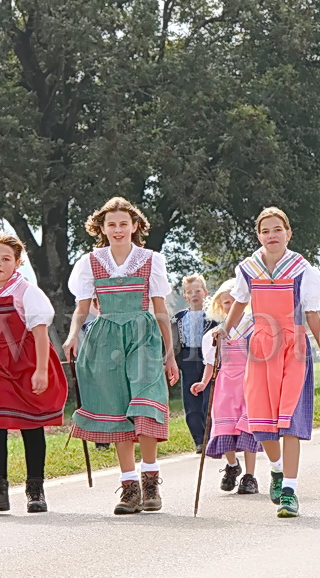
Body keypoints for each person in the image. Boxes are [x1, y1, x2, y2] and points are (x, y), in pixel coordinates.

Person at [64, 197, 179, 515]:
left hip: (143, 336)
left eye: (123, 224)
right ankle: (129, 488)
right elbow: (82, 309)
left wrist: (169, 354)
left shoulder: (151, 260)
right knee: (117, 412)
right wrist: (74, 335)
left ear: (135, 226)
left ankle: (150, 480)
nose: (117, 229)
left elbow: (160, 311)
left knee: (144, 407)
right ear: (101, 228)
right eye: (111, 224)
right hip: (105, 339)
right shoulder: (89, 262)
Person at [220, 207, 320, 517]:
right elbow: (241, 303)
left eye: (277, 230)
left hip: (293, 349)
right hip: (259, 350)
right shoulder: (248, 269)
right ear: (259, 236)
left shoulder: (302, 269)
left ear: (288, 233)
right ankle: (276, 469)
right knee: (262, 423)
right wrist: (223, 332)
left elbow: (311, 314)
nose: (272, 236)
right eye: (266, 231)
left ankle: (290, 492)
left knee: (290, 423)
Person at [0, 233, 68, 513]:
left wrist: (42, 371)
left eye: (6, 259)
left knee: (31, 424)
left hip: (26, 360)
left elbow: (40, 333)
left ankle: (35, 490)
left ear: (17, 264)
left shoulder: (26, 292)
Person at [190, 280, 261, 495]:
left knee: (248, 429)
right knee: (225, 428)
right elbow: (211, 364)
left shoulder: (253, 328)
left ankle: (250, 476)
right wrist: (203, 382)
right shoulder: (214, 335)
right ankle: (232, 465)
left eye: (235, 301)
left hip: (249, 384)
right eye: (227, 302)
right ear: (221, 307)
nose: (231, 305)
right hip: (225, 386)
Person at [172, 274, 215, 453]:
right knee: (191, 402)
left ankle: (211, 437)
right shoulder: (178, 318)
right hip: (188, 358)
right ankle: (199, 440)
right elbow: (173, 342)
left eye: (198, 291)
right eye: (190, 292)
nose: (194, 295)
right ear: (185, 297)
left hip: (208, 358)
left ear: (205, 293)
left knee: (209, 399)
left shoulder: (213, 316)